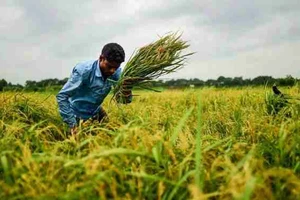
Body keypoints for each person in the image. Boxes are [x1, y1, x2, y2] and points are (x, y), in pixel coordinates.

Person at [56, 43, 132, 134]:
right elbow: (62, 96)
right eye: (109, 66)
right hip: (76, 113)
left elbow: (122, 100)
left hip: (96, 111)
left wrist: (126, 89)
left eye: (116, 67)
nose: (112, 71)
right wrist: (72, 124)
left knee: (112, 134)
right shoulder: (84, 70)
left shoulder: (116, 73)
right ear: (101, 58)